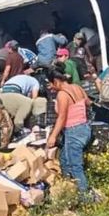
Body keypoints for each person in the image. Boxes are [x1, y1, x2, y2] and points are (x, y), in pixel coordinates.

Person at [46, 64, 98, 201]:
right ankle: (69, 189)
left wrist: (53, 136)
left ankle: (86, 198)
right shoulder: (77, 87)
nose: (51, 87)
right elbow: (88, 103)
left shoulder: (62, 94)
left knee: (75, 166)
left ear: (56, 81)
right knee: (64, 158)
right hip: (85, 128)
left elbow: (62, 117)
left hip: (73, 131)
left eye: (51, 84)